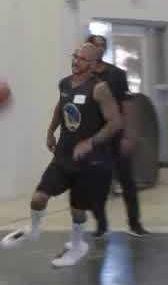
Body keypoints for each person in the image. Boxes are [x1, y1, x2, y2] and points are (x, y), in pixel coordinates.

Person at [1, 43, 123, 267]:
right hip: (64, 155)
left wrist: (91, 142)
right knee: (38, 198)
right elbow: (61, 107)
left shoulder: (99, 89)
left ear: (94, 64)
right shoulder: (65, 83)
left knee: (77, 210)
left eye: (83, 59)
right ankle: (34, 230)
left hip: (87, 161)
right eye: (75, 56)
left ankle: (77, 245)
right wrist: (50, 132)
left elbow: (115, 122)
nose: (76, 61)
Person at [86, 35, 149, 238]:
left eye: (103, 46)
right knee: (97, 183)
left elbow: (127, 105)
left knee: (126, 180)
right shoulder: (82, 76)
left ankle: (134, 222)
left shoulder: (116, 74)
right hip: (95, 136)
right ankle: (101, 224)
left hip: (116, 134)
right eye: (96, 45)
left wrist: (129, 135)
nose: (100, 49)